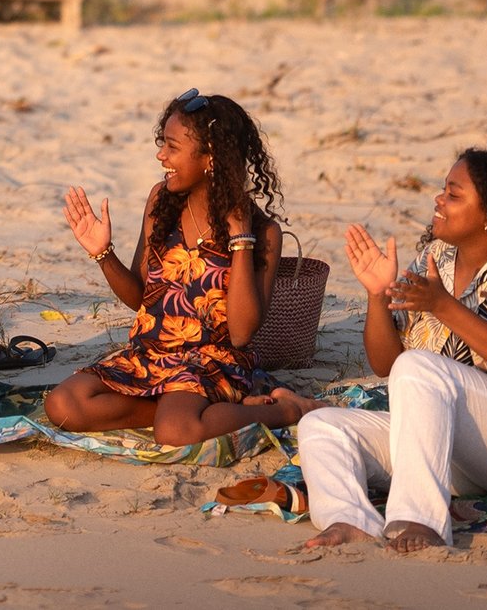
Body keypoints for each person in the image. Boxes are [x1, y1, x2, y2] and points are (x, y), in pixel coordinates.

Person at [295, 149, 487, 552]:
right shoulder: (434, 259)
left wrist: (443, 306)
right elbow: (387, 365)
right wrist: (376, 295)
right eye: (443, 190)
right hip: (453, 450)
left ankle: (421, 521)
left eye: (454, 194)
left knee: (419, 366)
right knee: (322, 426)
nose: (439, 200)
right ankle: (350, 519)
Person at [45, 88, 317, 445]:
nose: (161, 155)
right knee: (63, 405)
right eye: (163, 144)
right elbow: (142, 299)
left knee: (175, 432)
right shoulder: (161, 201)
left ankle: (284, 410)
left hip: (212, 363)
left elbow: (241, 334)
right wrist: (103, 254)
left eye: (172, 147)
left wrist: (240, 240)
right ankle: (179, 412)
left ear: (210, 156)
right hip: (151, 354)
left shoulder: (263, 232)